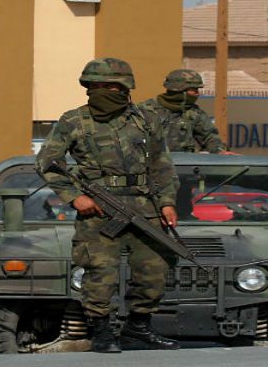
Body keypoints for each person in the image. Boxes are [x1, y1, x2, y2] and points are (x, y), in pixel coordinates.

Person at [36, 57, 180, 353]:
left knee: (155, 270)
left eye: (109, 86)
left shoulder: (146, 119)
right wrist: (75, 197)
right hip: (98, 209)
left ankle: (138, 329)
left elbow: (162, 164)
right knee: (99, 272)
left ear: (125, 86)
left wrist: (167, 202)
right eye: (95, 86)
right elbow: (48, 162)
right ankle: (102, 331)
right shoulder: (73, 120)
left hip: (145, 206)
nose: (101, 91)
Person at [139, 69, 226, 153]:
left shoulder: (194, 112)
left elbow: (209, 136)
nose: (197, 93)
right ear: (180, 90)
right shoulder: (146, 110)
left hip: (183, 164)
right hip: (152, 164)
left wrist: (219, 151)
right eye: (194, 90)